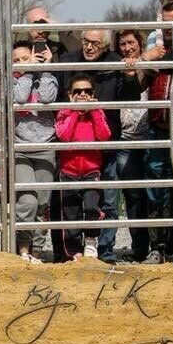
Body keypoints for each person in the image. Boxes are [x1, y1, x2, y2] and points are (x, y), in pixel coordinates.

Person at [58, 29, 141, 262]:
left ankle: (104, 251)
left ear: (105, 46)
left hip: (106, 142)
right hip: (75, 150)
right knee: (71, 204)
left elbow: (131, 97)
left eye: (95, 43)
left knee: (107, 201)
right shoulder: (68, 61)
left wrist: (130, 74)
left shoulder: (116, 62)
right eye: (85, 41)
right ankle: (69, 252)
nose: (89, 47)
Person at [140, 0, 173, 264]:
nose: (171, 29)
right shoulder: (155, 52)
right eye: (167, 23)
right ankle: (159, 245)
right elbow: (133, 87)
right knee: (157, 189)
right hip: (160, 128)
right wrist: (145, 62)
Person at [55, 76, 111, 261]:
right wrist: (73, 112)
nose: (83, 95)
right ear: (70, 95)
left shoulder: (97, 112)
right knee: (70, 213)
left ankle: (91, 241)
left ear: (93, 94)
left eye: (87, 91)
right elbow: (63, 136)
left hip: (91, 170)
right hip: (68, 171)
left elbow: (104, 136)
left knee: (91, 207)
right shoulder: (64, 112)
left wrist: (93, 111)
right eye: (78, 92)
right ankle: (72, 252)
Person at [11, 40, 57, 263]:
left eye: (26, 57)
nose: (22, 63)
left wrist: (45, 68)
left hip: (46, 147)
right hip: (21, 148)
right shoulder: (11, 81)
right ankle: (22, 248)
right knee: (27, 200)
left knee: (42, 202)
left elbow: (48, 98)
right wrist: (28, 72)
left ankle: (37, 249)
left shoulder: (48, 76)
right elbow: (19, 98)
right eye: (17, 60)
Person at [114, 29, 151, 261]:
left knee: (156, 193)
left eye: (131, 43)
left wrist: (145, 60)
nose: (127, 48)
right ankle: (139, 248)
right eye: (122, 44)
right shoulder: (116, 68)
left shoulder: (151, 63)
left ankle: (163, 244)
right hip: (125, 138)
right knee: (133, 195)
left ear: (140, 43)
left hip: (150, 136)